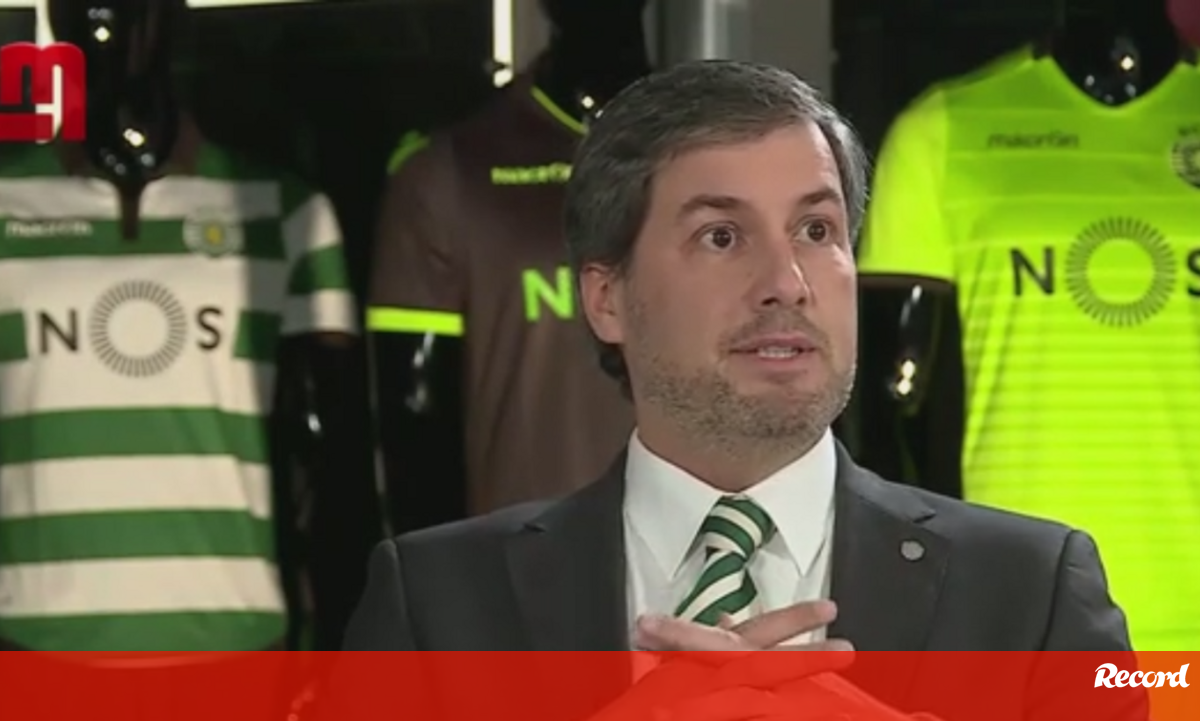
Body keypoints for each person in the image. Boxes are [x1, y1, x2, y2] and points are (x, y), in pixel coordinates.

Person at [339, 60, 1145, 721]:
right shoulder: (434, 605)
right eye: (722, 236)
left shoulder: (1034, 593)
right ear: (607, 298)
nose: (787, 281)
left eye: (817, 230)